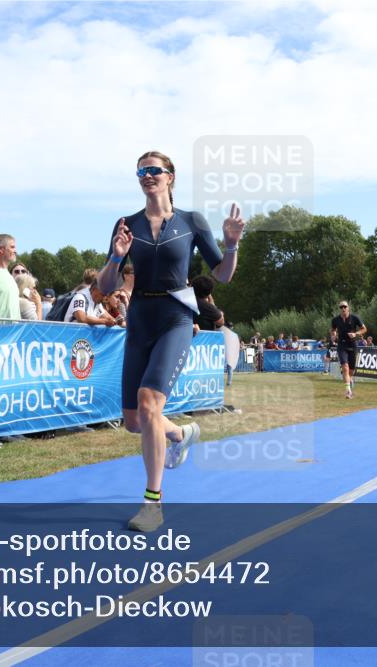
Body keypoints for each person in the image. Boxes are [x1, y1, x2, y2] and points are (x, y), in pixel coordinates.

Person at [96, 150, 244, 532]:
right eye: (141, 171)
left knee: (148, 404)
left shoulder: (192, 221)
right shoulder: (126, 224)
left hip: (177, 315)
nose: (147, 176)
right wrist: (116, 258)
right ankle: (179, 433)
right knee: (133, 421)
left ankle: (152, 504)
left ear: (171, 177)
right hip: (140, 318)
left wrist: (231, 245)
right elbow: (105, 288)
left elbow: (223, 276)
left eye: (154, 170)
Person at [330, 300, 366, 399]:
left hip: (353, 345)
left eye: (345, 307)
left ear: (348, 308)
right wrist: (333, 335)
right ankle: (348, 391)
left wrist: (356, 334)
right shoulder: (335, 320)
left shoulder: (355, 318)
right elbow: (333, 330)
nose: (343, 309)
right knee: (345, 367)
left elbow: (364, 329)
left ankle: (350, 380)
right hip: (341, 345)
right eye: (341, 307)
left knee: (351, 371)